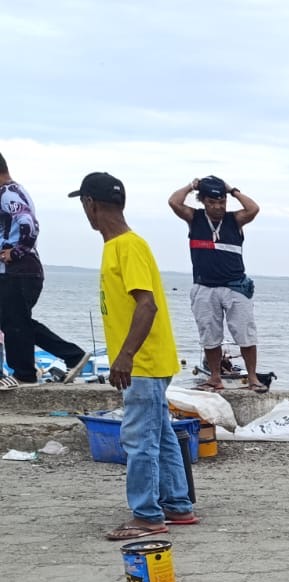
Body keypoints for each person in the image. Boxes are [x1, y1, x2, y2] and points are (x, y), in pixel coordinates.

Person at [71, 172, 197, 540]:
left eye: (85, 205)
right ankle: (177, 505)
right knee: (160, 434)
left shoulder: (128, 246)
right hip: (149, 360)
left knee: (139, 439)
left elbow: (147, 305)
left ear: (90, 205)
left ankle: (146, 515)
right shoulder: (118, 246)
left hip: (143, 362)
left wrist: (125, 356)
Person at [167, 175, 265, 393]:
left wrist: (232, 190)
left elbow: (254, 208)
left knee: (245, 333)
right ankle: (214, 378)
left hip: (235, 286)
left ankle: (253, 378)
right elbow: (174, 202)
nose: (218, 206)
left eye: (222, 202)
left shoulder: (235, 219)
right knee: (210, 336)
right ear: (203, 201)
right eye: (212, 202)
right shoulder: (194, 218)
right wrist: (191, 186)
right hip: (204, 286)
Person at [0, 152, 90, 389]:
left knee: (15, 322)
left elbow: (29, 224)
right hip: (20, 272)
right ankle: (73, 355)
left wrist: (16, 252)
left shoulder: (8, 194)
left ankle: (24, 375)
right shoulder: (13, 192)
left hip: (18, 271)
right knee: (16, 321)